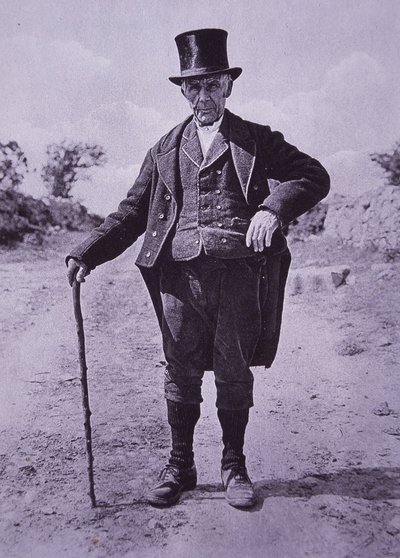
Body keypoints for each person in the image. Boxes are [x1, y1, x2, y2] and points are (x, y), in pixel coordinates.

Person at [67, 28, 330, 509]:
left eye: (212, 84)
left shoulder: (256, 139)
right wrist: (87, 252)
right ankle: (180, 465)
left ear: (229, 85)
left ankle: (234, 467)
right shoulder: (164, 150)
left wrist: (272, 209)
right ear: (183, 91)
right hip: (179, 279)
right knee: (181, 370)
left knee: (233, 369)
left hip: (239, 276)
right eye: (194, 86)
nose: (203, 95)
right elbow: (130, 213)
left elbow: (313, 175)